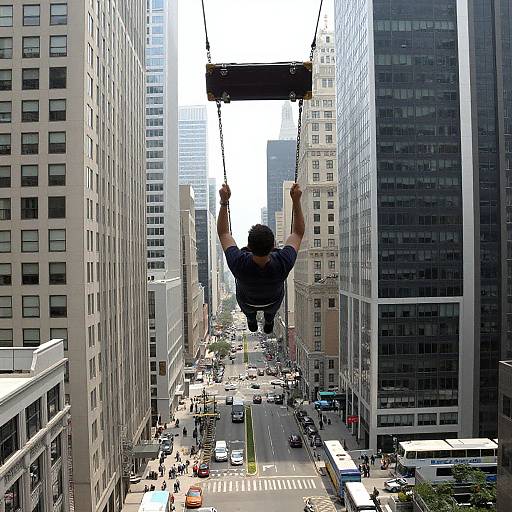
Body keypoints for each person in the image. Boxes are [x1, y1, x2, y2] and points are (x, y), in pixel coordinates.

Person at [217, 183, 304, 333]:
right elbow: (297, 233)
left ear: (249, 247)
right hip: (273, 302)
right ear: (273, 247)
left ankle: (251, 320)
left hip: (247, 303)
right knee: (271, 312)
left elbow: (224, 233)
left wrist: (224, 201)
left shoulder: (239, 263)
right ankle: (269, 321)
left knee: (248, 312)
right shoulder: (282, 262)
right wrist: (296, 201)